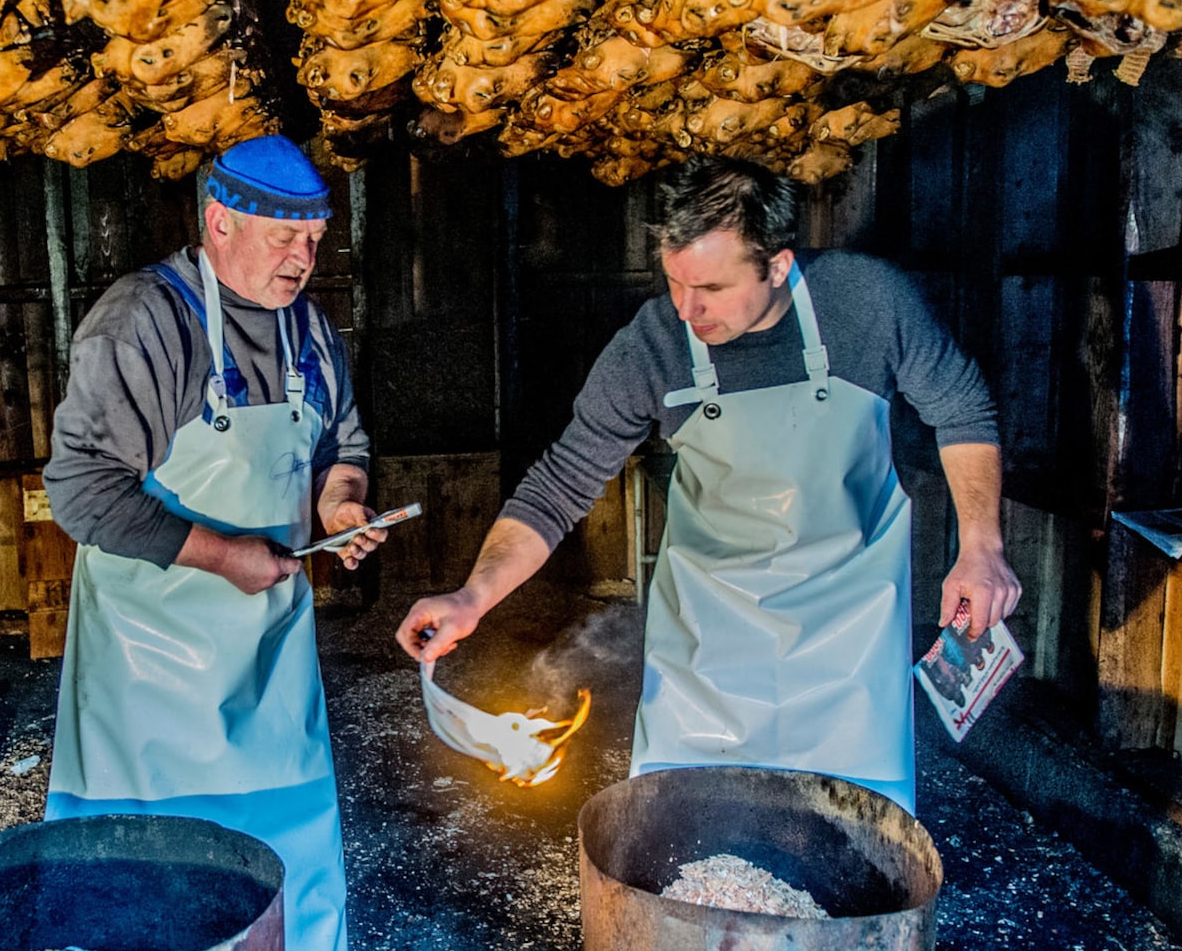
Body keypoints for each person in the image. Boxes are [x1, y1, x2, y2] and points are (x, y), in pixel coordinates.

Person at [398, 157, 1021, 814]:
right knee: (684, 858)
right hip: (705, 663)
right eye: (674, 282)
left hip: (850, 656)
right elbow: (560, 483)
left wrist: (981, 546)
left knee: (850, 860)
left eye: (713, 290)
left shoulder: (866, 301)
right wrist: (475, 595)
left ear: (777, 266)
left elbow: (961, 408)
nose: (687, 309)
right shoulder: (654, 343)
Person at [42, 135, 417, 951]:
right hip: (149, 651)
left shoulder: (311, 330)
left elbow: (342, 445)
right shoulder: (142, 322)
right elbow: (80, 489)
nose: (304, 260)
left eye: (315, 241)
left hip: (264, 638)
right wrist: (222, 555)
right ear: (218, 223)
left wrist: (341, 503)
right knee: (147, 834)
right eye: (284, 240)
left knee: (289, 805)